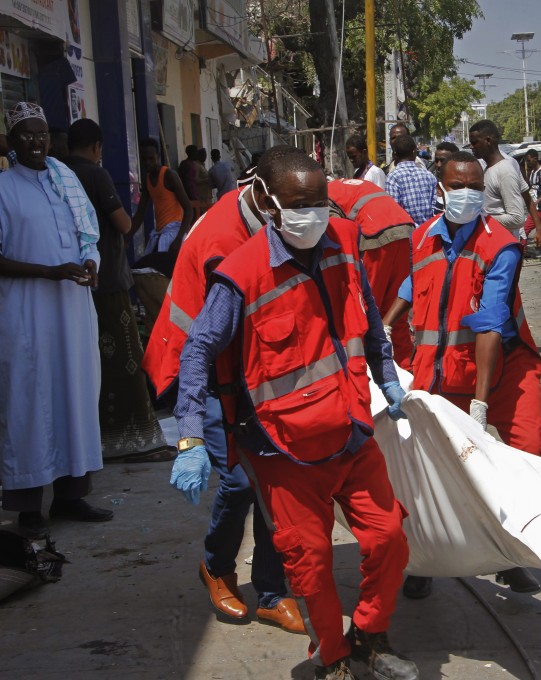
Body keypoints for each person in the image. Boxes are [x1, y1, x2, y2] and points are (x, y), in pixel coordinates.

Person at [172, 152, 418, 680]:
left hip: (351, 431)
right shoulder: (240, 275)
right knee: (309, 566)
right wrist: (190, 436)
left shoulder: (345, 243)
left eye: (320, 204)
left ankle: (370, 636)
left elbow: (369, 320)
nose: (313, 215)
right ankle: (331, 660)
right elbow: (196, 351)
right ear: (267, 202)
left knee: (389, 537)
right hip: (283, 448)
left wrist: (387, 374)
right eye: (299, 205)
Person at [144, 146, 308, 636]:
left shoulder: (279, 217)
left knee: (271, 481)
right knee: (240, 482)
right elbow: (209, 346)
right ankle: (216, 566)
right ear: (261, 193)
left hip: (252, 369)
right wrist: (190, 434)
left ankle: (272, 590)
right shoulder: (225, 243)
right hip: (206, 369)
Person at [382, 151, 541, 600]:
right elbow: (411, 284)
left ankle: (511, 556)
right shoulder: (422, 239)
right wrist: (385, 322)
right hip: (440, 370)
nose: (467, 194)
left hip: (504, 367)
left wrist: (481, 404)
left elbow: (491, 321)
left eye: (475, 186)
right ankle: (425, 559)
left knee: (526, 452)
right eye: (458, 186)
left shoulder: (501, 245)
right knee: (429, 469)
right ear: (442, 188)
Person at [0, 102, 112, 538]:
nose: (36, 142)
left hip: (72, 307)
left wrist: (90, 261)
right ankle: (28, 507)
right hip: (26, 311)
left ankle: (72, 495)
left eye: (42, 134)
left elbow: (88, 236)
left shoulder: (65, 183)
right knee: (29, 400)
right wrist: (48, 271)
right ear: (11, 142)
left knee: (75, 395)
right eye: (26, 135)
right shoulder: (5, 188)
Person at [65, 119, 169, 461]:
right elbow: (123, 223)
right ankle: (132, 439)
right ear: (97, 146)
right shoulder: (95, 175)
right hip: (107, 277)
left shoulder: (59, 175)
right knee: (124, 358)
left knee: (89, 360)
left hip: (73, 283)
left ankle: (95, 437)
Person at [328, 177, 415, 370]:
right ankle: (406, 368)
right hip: (405, 231)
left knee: (365, 311)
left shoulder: (321, 196)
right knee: (396, 312)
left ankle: (366, 369)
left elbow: (337, 235)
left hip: (375, 238)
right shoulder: (349, 185)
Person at [469, 119, 541, 236]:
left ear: (488, 140)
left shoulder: (505, 171)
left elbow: (517, 219)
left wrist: (480, 219)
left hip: (501, 244)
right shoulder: (488, 169)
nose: (471, 147)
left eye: (474, 142)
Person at [131, 137, 194, 255]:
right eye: (144, 159)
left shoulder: (169, 175)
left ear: (158, 156)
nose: (147, 162)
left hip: (175, 231)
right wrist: (127, 237)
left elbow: (189, 210)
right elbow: (140, 213)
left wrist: (178, 239)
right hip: (160, 232)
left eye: (151, 158)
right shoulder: (147, 179)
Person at [385, 134, 438, 226]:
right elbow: (435, 208)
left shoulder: (392, 178)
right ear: (414, 152)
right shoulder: (429, 176)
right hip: (427, 233)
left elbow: (394, 212)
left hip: (407, 235)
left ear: (395, 155)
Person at [431, 141, 460, 214]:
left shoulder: (461, 189)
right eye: (436, 160)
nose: (438, 165)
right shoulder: (431, 184)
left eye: (443, 161)